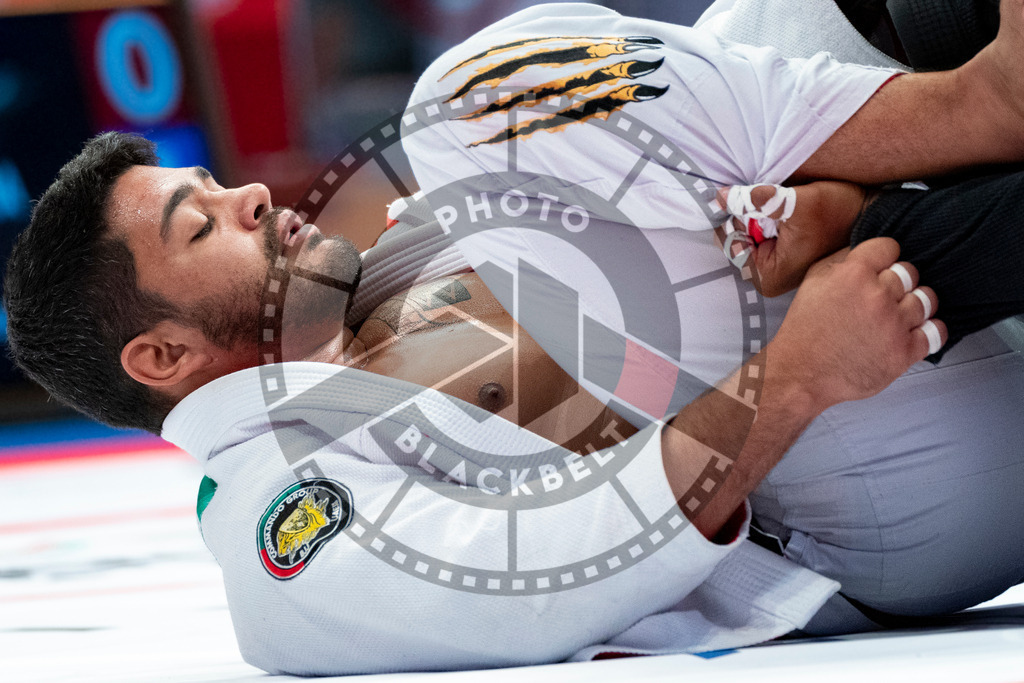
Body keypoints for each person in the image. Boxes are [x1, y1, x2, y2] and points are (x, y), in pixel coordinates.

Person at [3, 0, 1023, 675]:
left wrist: (813, 211)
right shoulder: (284, 538)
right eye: (203, 223)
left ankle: (963, 98)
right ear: (163, 357)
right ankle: (981, 104)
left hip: (869, 331)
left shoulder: (395, 264)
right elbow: (558, 563)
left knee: (713, 35)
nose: (252, 194)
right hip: (840, 500)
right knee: (468, 104)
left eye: (218, 186)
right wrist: (797, 374)